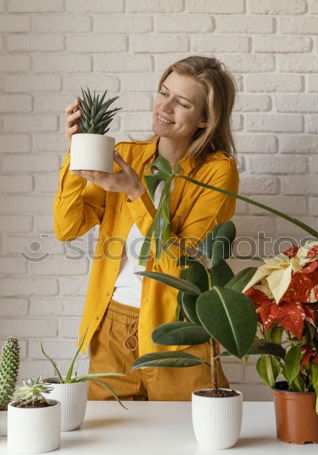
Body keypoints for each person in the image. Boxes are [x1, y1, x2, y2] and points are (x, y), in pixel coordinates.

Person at [54, 56, 239, 401]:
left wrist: (135, 192)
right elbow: (67, 228)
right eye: (163, 93)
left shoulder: (217, 173)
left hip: (177, 329)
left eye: (182, 103)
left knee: (182, 441)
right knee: (108, 446)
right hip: (111, 325)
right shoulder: (124, 155)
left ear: (205, 119)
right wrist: (73, 155)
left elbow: (182, 265)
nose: (164, 107)